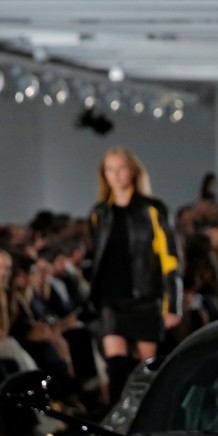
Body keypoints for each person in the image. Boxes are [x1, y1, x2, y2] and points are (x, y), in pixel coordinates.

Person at [85, 147, 183, 402]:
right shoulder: (99, 213)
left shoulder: (154, 209)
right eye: (110, 169)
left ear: (133, 171)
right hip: (111, 296)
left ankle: (146, 424)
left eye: (121, 168)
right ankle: (118, 430)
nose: (116, 175)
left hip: (145, 296)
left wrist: (173, 303)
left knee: (146, 370)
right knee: (115, 367)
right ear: (103, 175)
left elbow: (170, 257)